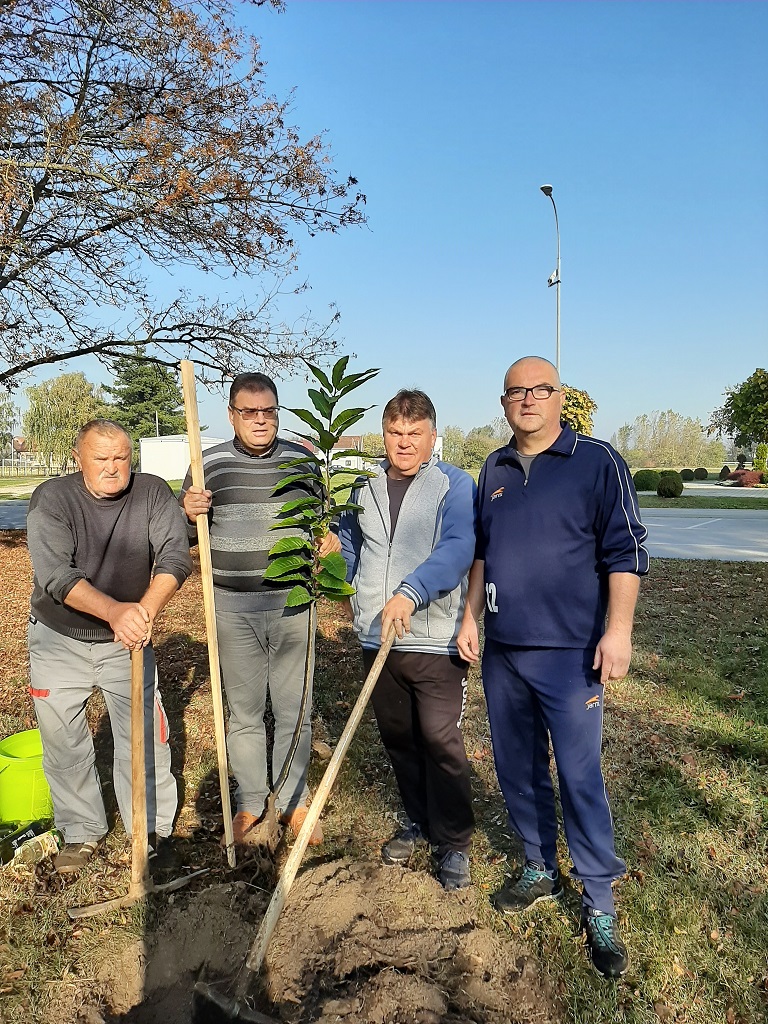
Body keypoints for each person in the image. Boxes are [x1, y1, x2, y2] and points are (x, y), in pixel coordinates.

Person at [457, 356, 649, 978]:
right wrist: (469, 617)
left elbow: (625, 551)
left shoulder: (597, 461)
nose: (528, 399)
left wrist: (618, 631)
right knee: (517, 768)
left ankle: (599, 901)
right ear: (504, 402)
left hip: (571, 655)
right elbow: (482, 552)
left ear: (559, 397)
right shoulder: (493, 467)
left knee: (579, 776)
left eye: (540, 389)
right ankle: (539, 866)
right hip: (504, 652)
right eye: (517, 391)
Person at [27, 419, 192, 875]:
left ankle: (151, 831)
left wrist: (143, 612)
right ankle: (82, 830)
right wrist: (116, 611)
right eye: (101, 458)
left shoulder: (152, 493)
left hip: (129, 642)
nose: (113, 467)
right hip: (59, 640)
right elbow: (57, 576)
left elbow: (175, 556)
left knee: (145, 736)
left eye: (121, 457)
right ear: (78, 458)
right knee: (64, 741)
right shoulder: (52, 499)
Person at [181, 371, 338, 848]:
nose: (260, 420)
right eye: (249, 412)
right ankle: (250, 801)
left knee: (295, 709)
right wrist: (189, 512)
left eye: (268, 411)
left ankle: (293, 801)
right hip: (232, 609)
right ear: (232, 415)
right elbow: (185, 536)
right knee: (245, 712)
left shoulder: (303, 463)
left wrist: (328, 540)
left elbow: (323, 526)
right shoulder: (207, 466)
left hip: (294, 605)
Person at [339, 390, 477, 891]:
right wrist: (347, 583)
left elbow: (459, 547)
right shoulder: (364, 487)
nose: (404, 443)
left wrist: (411, 592)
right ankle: (418, 820)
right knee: (399, 739)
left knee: (440, 740)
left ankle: (453, 842)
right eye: (395, 433)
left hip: (434, 638)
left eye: (415, 434)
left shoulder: (454, 485)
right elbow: (351, 544)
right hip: (378, 638)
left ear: (432, 436)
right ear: (383, 434)